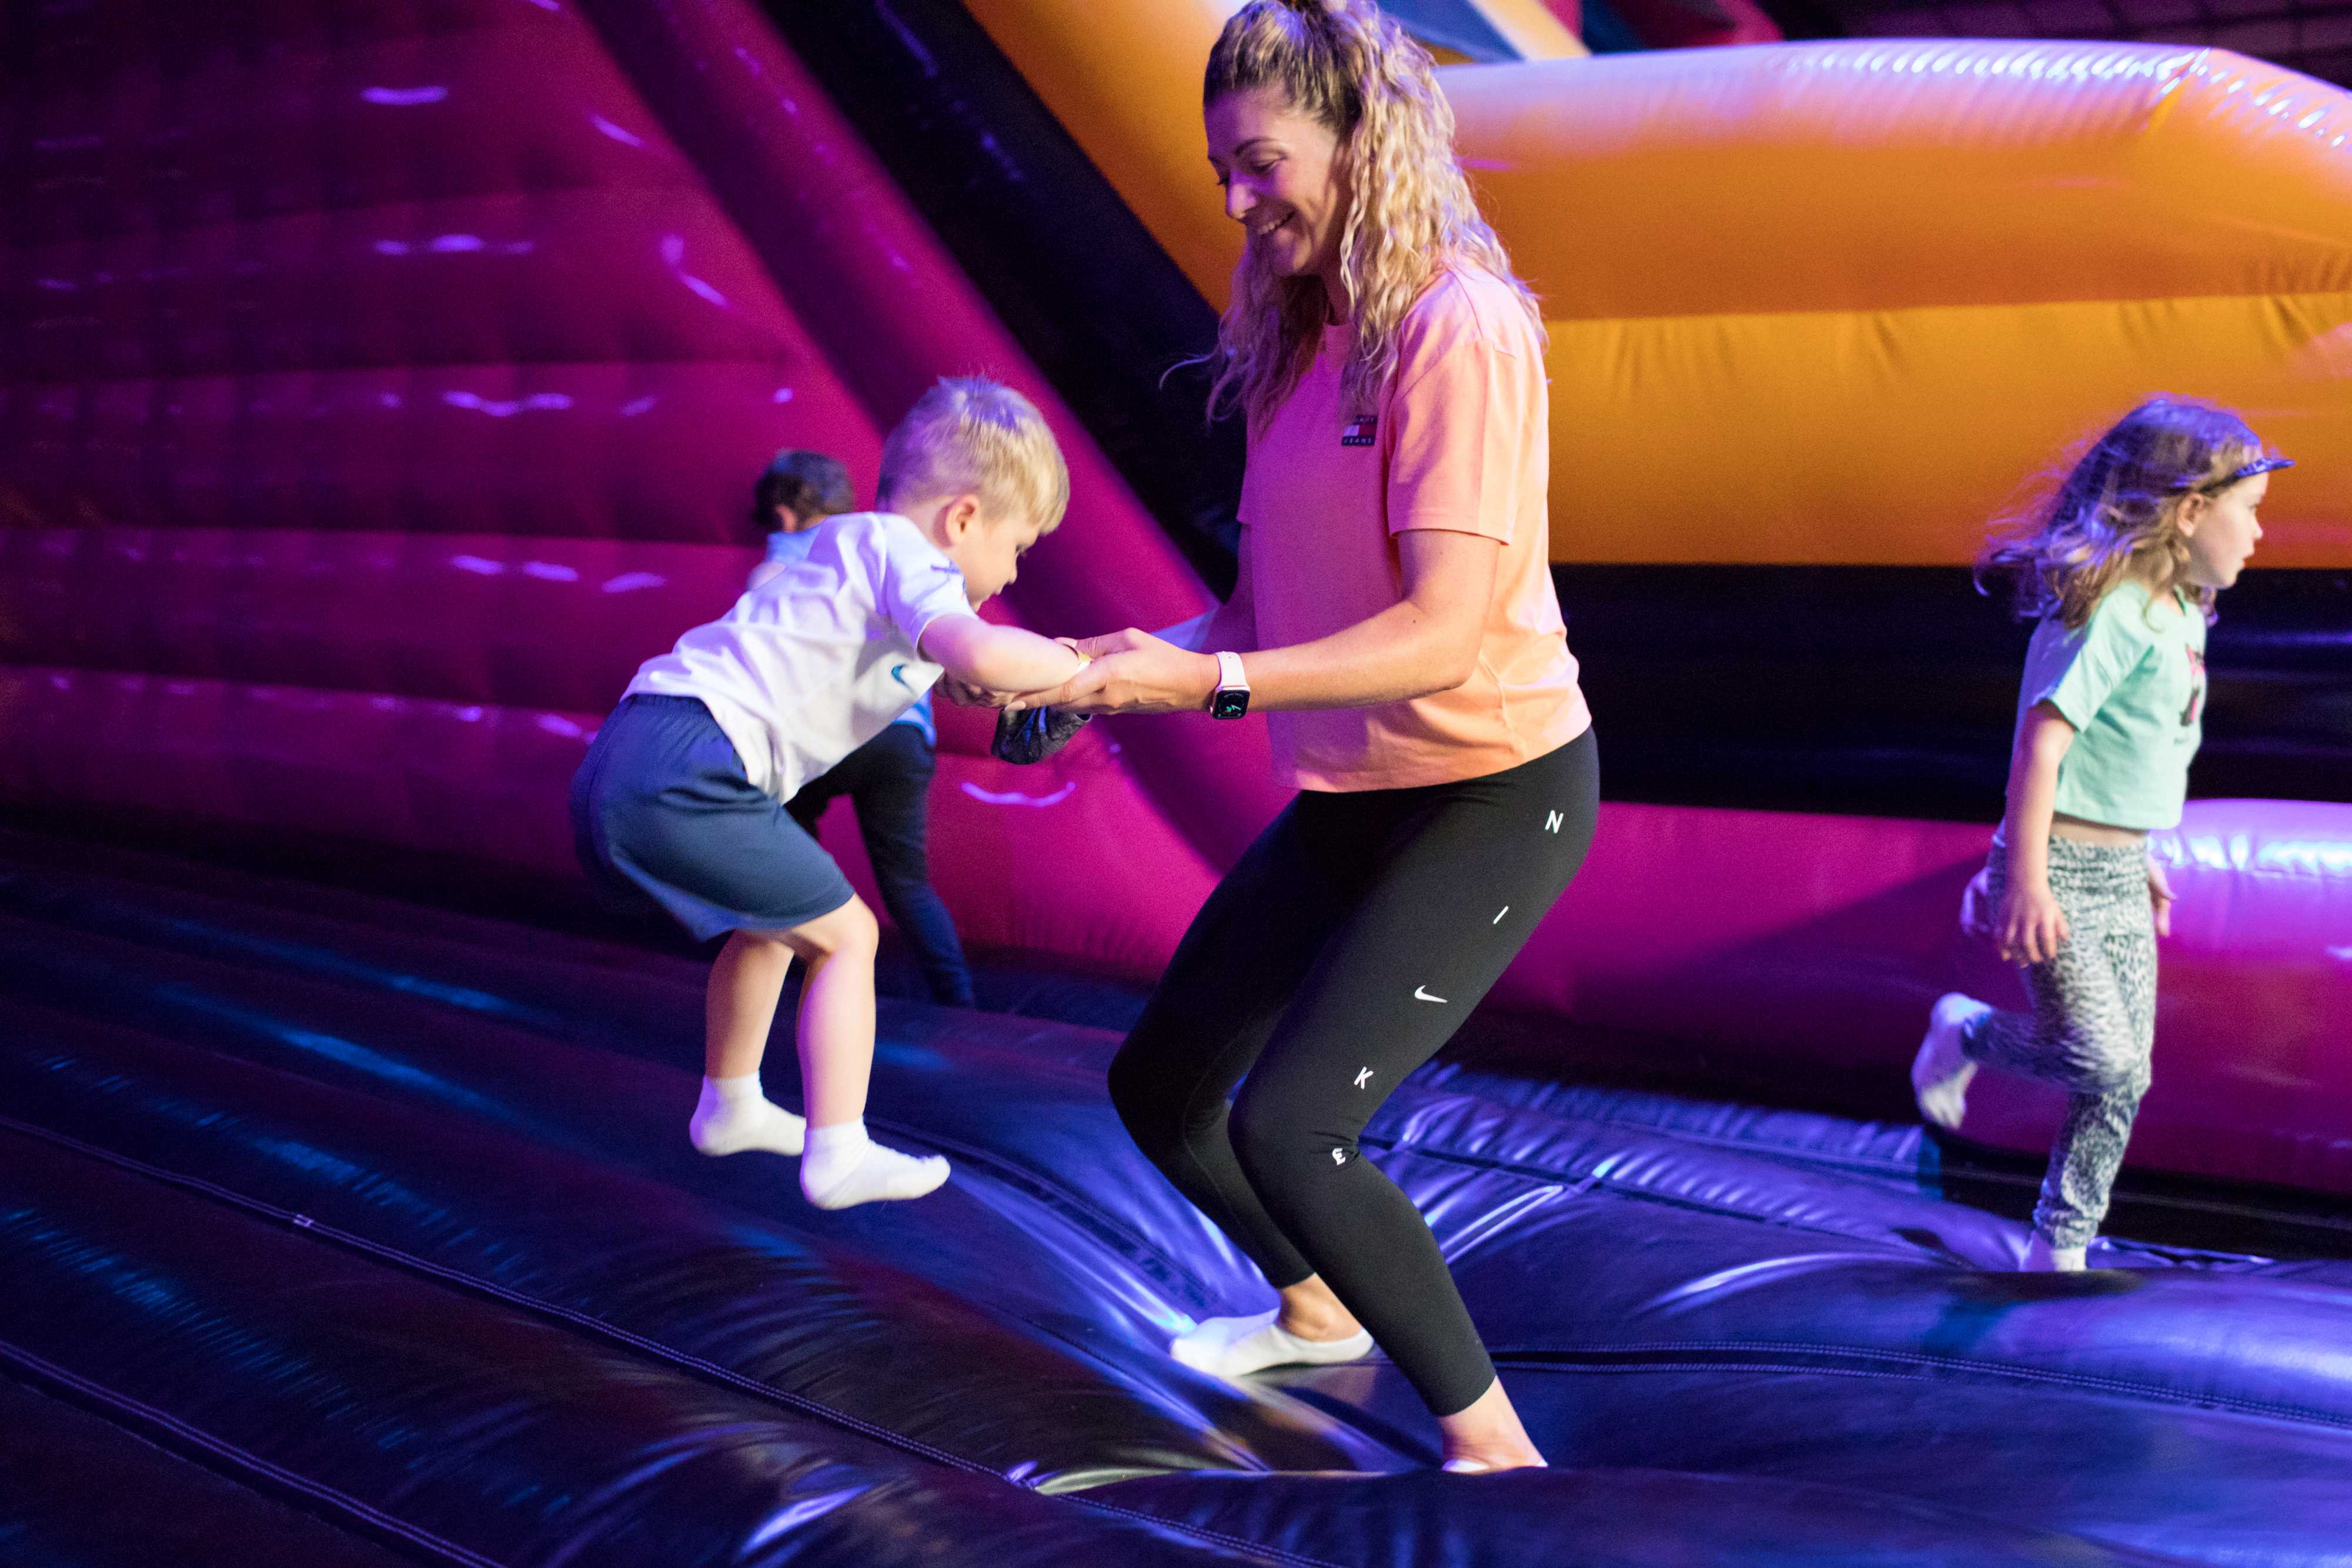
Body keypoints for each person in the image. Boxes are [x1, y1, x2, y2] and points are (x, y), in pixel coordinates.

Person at [1005, 0, 1595, 1473]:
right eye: (1222, 173)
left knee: (1293, 1129)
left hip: (1489, 787)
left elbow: (1440, 635)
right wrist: (1107, 666)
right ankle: (1317, 1312)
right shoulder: (1294, 346)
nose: (1236, 200)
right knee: (1161, 1087)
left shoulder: (1455, 326)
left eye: (1260, 163)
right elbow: (1254, 612)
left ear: (1359, 140)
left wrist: (1200, 691)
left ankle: (1497, 1456)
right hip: (1357, 788)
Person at [570, 380, 1084, 1209]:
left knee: (774, 922)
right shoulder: (912, 558)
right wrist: (1081, 670)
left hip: (633, 752)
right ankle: (838, 1151)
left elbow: (907, 667)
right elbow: (979, 652)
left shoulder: (838, 547)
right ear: (963, 519)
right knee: (848, 934)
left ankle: (730, 1102)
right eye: (1017, 546)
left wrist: (977, 685)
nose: (1013, 569)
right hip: (687, 763)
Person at [1912, 397, 2287, 1271]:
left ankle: (2061, 1242)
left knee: (2125, 1077)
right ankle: (1963, 1028)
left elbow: (2136, 751)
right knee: (2101, 1056)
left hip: (2119, 868)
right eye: (2251, 511)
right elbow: (2043, 748)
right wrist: (2027, 878)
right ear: (2192, 510)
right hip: (2061, 868)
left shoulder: (2183, 607)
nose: (2261, 534)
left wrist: (2144, 854)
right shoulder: (2113, 611)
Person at [750, 449, 979, 1008]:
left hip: (831, 733)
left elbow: (762, 655)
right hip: (904, 738)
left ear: (782, 517)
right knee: (907, 883)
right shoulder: (884, 550)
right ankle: (961, 1003)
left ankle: (800, 971)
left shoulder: (781, 564)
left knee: (782, 832)